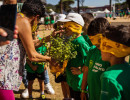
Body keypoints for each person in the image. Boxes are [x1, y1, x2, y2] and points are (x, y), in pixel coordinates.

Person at [0, 0, 53, 99]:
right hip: (3, 77)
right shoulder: (24, 21)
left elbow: (23, 44)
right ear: (36, 17)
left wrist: (49, 37)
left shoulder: (14, 16)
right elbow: (32, 55)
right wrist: (51, 59)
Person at [60, 13, 90, 100]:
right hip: (72, 81)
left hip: (79, 83)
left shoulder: (81, 42)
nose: (65, 29)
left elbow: (90, 60)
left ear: (76, 26)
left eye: (67, 27)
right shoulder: (71, 40)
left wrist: (80, 70)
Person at [80, 17, 110, 100]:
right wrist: (83, 90)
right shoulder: (92, 50)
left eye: (100, 42)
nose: (99, 46)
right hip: (91, 94)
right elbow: (86, 70)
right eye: (96, 45)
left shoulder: (111, 55)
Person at [100, 25, 130, 100]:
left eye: (104, 45)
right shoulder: (127, 69)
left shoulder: (108, 78)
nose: (100, 49)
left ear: (112, 52)